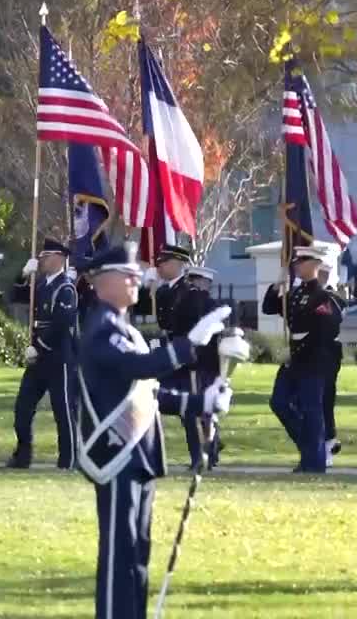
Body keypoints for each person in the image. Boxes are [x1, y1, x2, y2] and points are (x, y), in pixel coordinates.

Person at [76, 244, 235, 619]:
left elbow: (149, 394)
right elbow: (143, 367)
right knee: (120, 554)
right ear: (103, 282)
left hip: (139, 455)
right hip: (116, 454)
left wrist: (203, 403)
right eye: (125, 273)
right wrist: (191, 343)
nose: (136, 279)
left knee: (137, 552)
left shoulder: (123, 328)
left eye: (135, 272)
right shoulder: (102, 329)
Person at [261, 245, 342, 473]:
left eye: (302, 261)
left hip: (314, 359)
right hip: (295, 359)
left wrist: (300, 346)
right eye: (296, 261)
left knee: (311, 409)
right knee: (279, 402)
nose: (296, 265)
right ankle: (309, 449)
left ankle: (314, 463)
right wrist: (278, 282)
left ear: (315, 264)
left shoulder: (323, 296)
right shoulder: (296, 293)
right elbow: (269, 307)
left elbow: (328, 328)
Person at [6, 238, 78, 470]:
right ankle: (23, 455)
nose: (41, 260)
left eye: (45, 257)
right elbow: (16, 296)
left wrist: (40, 346)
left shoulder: (65, 287)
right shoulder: (41, 284)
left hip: (58, 356)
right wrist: (23, 275)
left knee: (63, 409)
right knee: (23, 407)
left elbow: (61, 323)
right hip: (38, 357)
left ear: (58, 258)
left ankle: (68, 458)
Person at [168, 265, 221, 469]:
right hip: (211, 365)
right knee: (208, 410)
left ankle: (200, 456)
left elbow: (177, 329)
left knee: (193, 412)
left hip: (193, 364)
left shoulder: (188, 301)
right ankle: (211, 452)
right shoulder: (213, 304)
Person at [316, 254, 346, 465]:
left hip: (326, 355)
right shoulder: (306, 295)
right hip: (307, 355)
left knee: (324, 401)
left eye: (324, 273)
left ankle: (328, 444)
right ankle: (323, 441)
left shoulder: (332, 298)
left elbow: (332, 321)